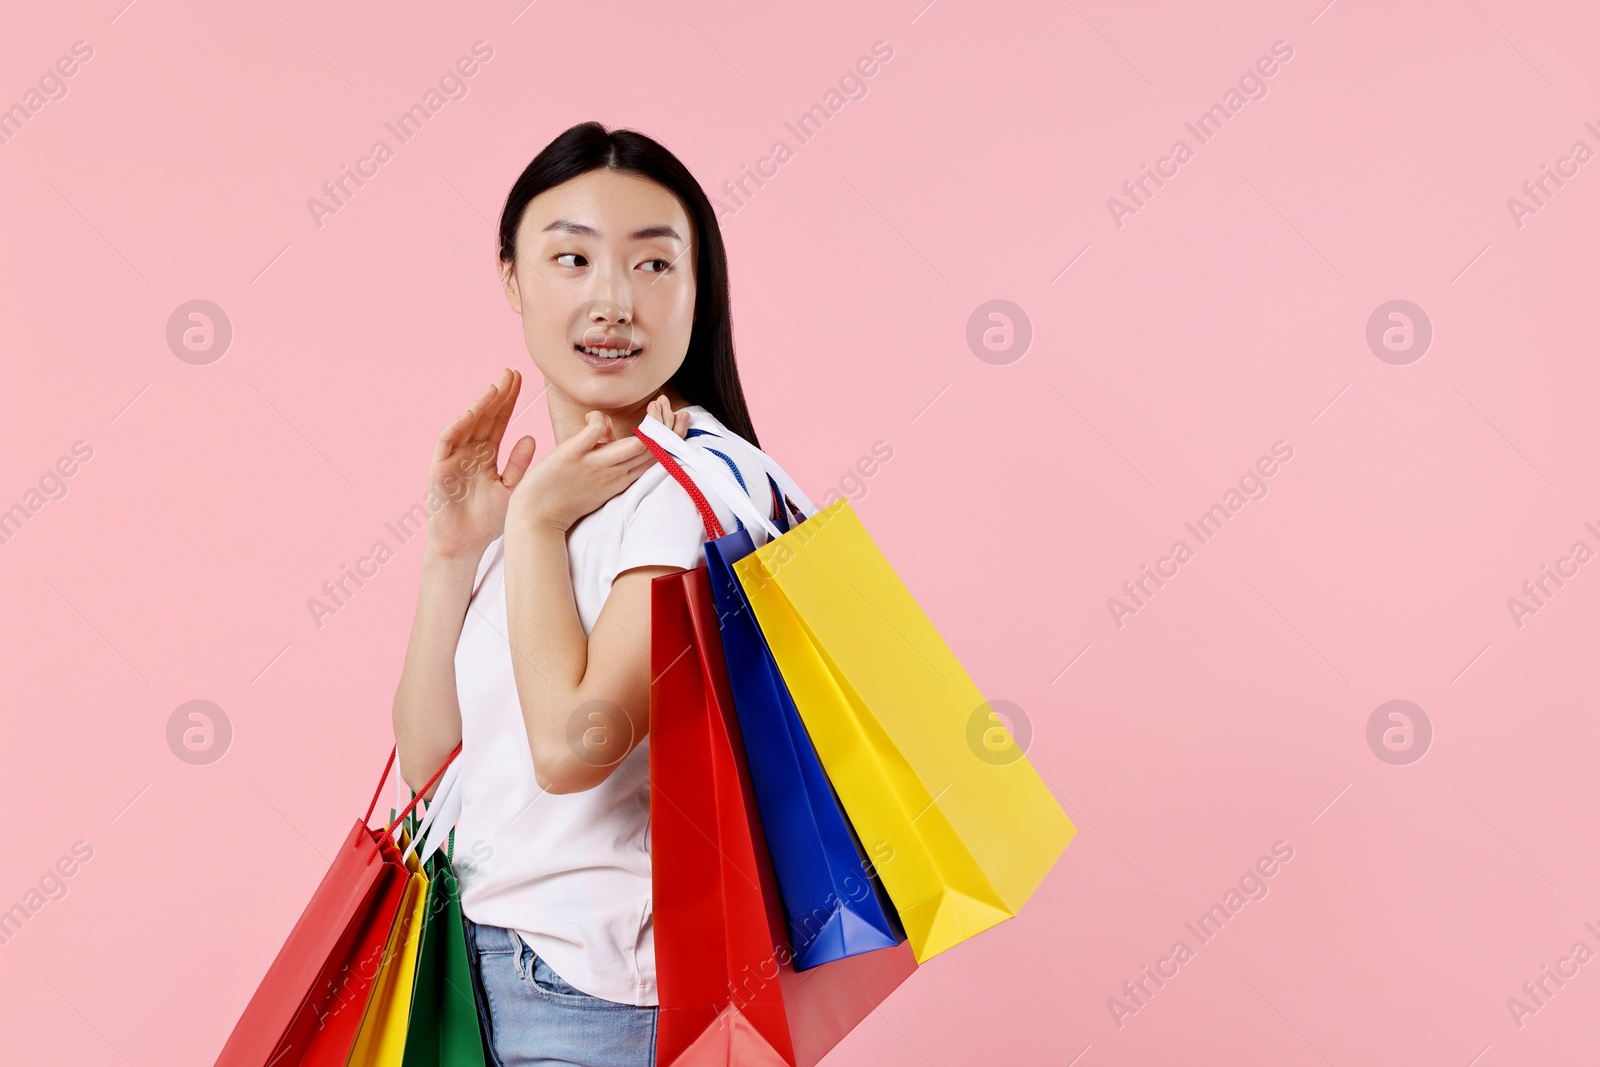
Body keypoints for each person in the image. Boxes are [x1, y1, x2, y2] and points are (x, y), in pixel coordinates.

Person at [390, 121, 789, 1066]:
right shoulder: (553, 494)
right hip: (464, 970)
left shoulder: (696, 496)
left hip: (595, 995)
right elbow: (428, 764)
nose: (613, 299)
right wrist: (455, 552)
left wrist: (529, 526)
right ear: (513, 279)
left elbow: (577, 748)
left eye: (654, 265)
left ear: (700, 289)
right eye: (571, 257)